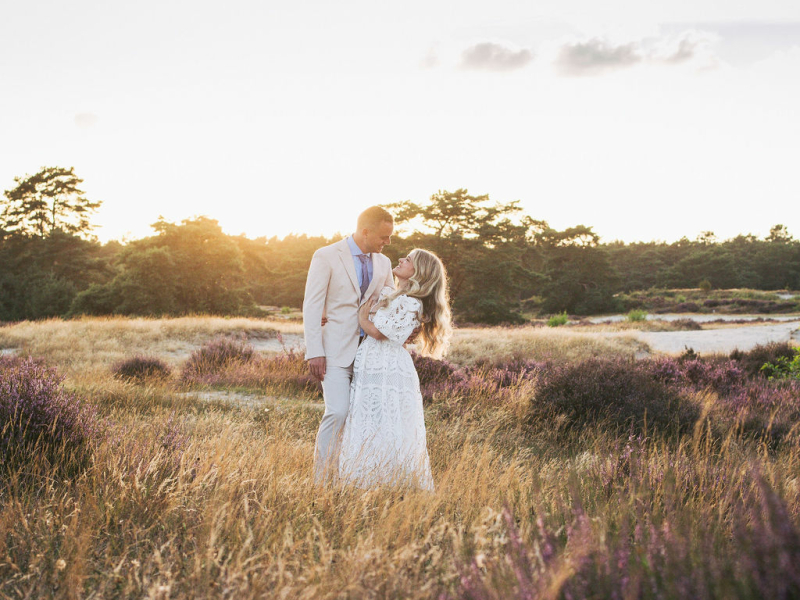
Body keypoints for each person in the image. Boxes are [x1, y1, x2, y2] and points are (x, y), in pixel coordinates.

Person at [338, 249, 452, 491]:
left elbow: (380, 333)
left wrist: (363, 319)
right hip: (373, 361)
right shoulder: (393, 294)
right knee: (369, 417)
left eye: (408, 259)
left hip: (387, 364)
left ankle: (390, 482)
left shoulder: (411, 302)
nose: (401, 259)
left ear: (419, 271)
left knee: (387, 419)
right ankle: (365, 479)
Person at [303, 206, 395, 485]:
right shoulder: (326, 255)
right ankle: (322, 481)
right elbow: (312, 305)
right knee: (338, 411)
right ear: (365, 231)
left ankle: (357, 478)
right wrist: (314, 351)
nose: (388, 242)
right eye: (383, 236)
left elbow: (390, 303)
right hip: (333, 351)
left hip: (370, 355)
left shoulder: (384, 263)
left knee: (365, 419)